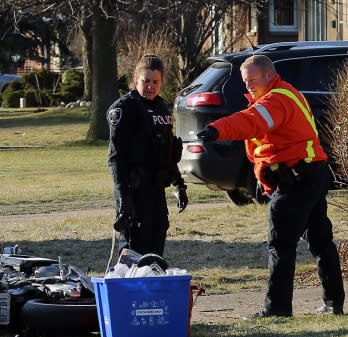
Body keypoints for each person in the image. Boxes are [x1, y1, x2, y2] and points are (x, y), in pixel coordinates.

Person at [197, 54, 344, 317]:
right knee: (321, 240)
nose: (248, 86)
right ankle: (334, 303)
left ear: (268, 75)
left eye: (252, 80)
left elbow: (250, 121)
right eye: (245, 81)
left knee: (281, 243)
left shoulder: (274, 101)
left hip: (298, 178)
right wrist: (263, 179)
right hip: (310, 172)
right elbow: (268, 144)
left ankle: (276, 309)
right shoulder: (288, 94)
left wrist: (217, 129)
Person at [107, 54, 187, 257]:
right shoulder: (124, 109)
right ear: (135, 79)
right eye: (146, 81)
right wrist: (123, 197)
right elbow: (116, 157)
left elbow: (168, 152)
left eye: (155, 82)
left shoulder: (161, 107)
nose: (150, 86)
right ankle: (130, 287)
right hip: (134, 189)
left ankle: (152, 286)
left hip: (157, 188)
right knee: (134, 248)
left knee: (157, 241)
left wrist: (179, 185)